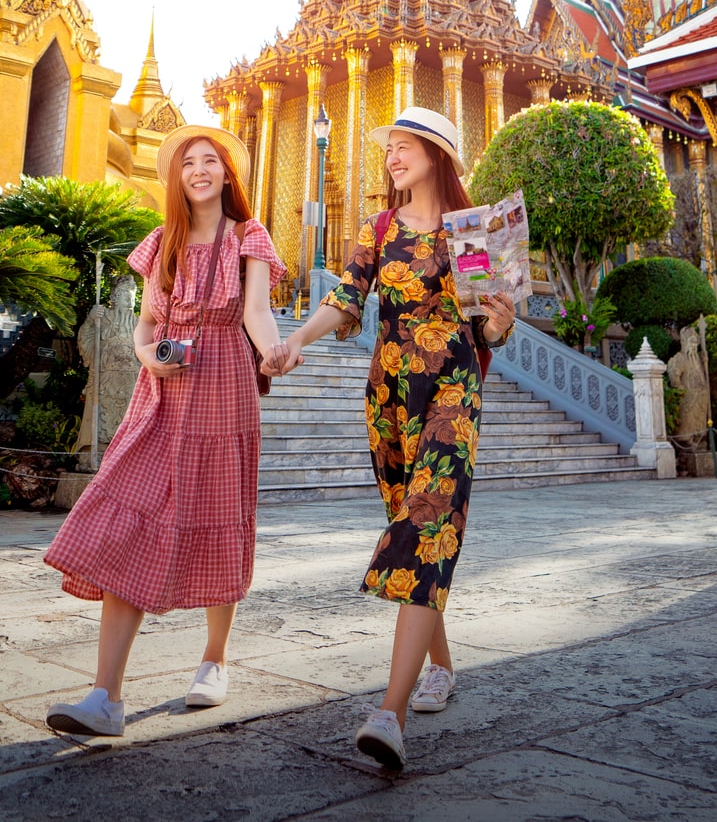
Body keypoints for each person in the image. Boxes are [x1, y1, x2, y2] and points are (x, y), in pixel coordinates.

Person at [265, 105, 516, 771]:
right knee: (412, 526)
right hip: (388, 397)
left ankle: (390, 713)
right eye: (391, 148)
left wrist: (498, 321)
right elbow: (344, 301)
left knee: (428, 524)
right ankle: (441, 667)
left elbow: (490, 328)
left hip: (453, 391)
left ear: (437, 155)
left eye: (407, 147)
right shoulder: (377, 230)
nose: (394, 157)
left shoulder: (470, 232)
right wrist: (293, 341)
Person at [43, 126, 287, 737]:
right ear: (176, 177)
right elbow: (146, 323)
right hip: (161, 396)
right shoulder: (162, 243)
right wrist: (149, 356)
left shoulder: (248, 237)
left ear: (229, 174)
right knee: (128, 518)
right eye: (189, 163)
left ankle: (214, 659)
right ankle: (106, 696)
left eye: (212, 161)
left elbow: (255, 312)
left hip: (225, 388)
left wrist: (278, 352)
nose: (200, 171)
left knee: (217, 514)